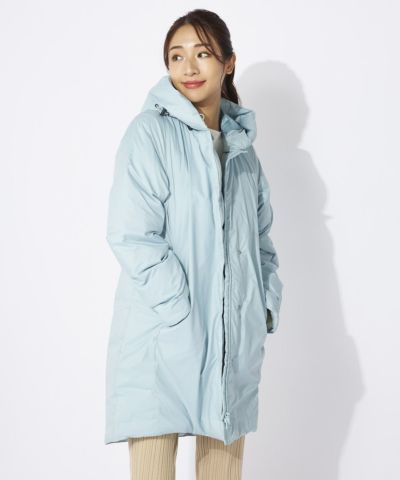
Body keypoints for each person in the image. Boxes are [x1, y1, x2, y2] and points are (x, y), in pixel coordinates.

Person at [104, 8, 283, 480]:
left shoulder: (243, 153)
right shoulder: (149, 134)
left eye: (202, 53)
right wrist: (182, 311)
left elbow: (261, 243)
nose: (188, 67)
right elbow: (133, 235)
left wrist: (259, 309)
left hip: (230, 345)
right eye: (176, 56)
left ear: (228, 63)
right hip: (163, 338)